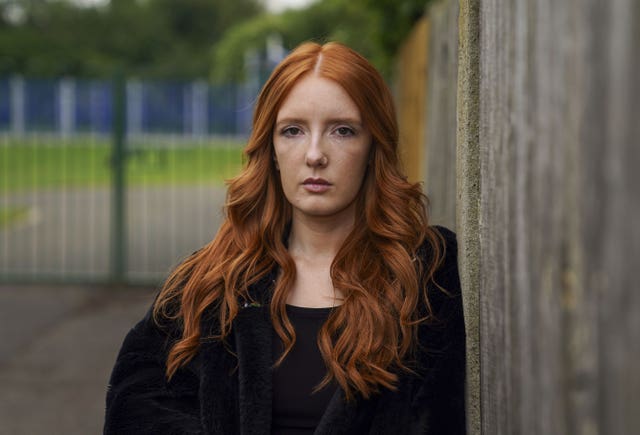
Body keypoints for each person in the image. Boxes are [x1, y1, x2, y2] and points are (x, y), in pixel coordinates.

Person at [104, 41, 466, 435]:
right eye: (292, 130)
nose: (314, 154)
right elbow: (135, 407)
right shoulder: (210, 281)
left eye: (342, 131)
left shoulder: (423, 272)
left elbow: (437, 418)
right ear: (271, 149)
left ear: (373, 146)